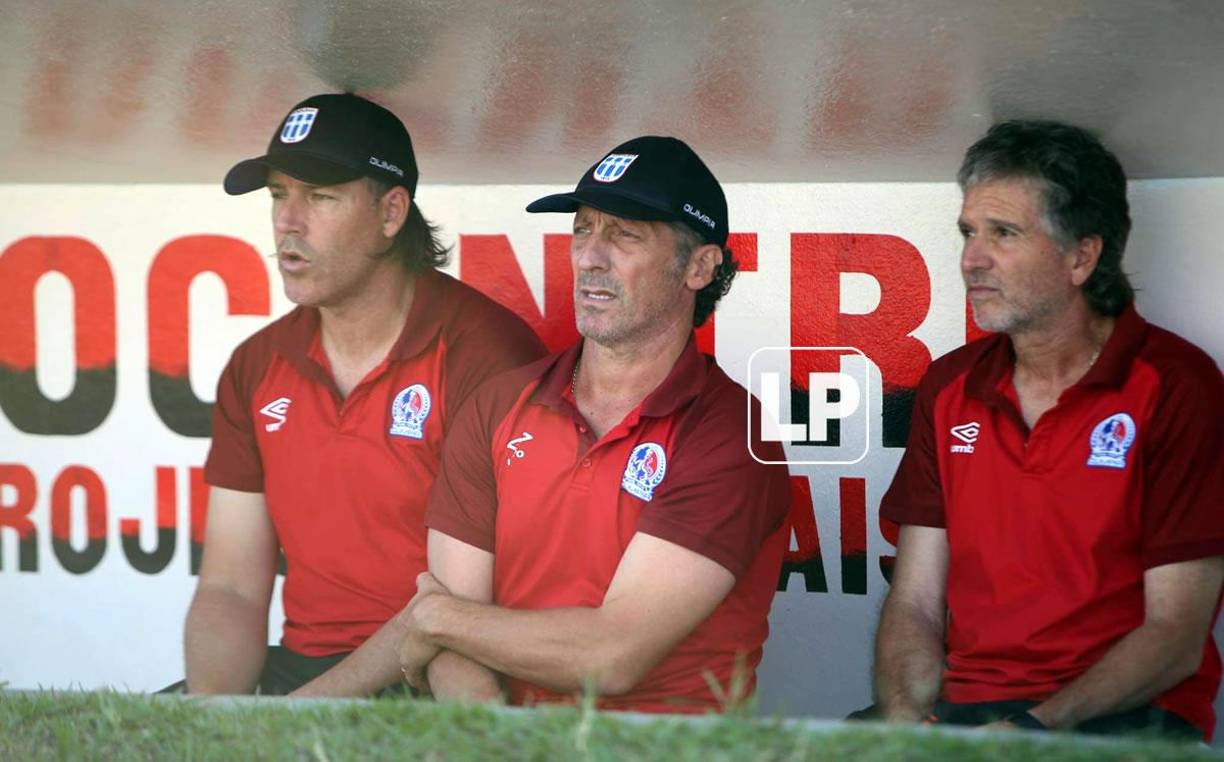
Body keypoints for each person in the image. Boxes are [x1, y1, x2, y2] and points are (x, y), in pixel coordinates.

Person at [393, 136, 792, 712]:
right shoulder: (499, 403)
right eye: (583, 229)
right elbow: (449, 646)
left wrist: (437, 618)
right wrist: (494, 739)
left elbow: (613, 655)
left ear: (700, 266)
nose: (589, 257)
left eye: (624, 235)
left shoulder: (731, 432)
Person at [183, 93, 546, 696]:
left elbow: (455, 607)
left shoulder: (486, 353)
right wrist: (217, 723)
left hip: (439, 674)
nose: (287, 222)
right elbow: (230, 588)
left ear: (391, 212)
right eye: (278, 195)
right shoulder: (256, 364)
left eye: (320, 197)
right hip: (305, 668)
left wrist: (292, 721)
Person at [872, 120, 1224, 739]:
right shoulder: (951, 386)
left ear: (1081, 256)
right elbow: (917, 603)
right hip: (969, 716)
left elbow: (1176, 637)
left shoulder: (1177, 385)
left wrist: (1031, 731)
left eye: (1003, 234)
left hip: (1124, 719)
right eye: (968, 232)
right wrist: (907, 730)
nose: (970, 259)